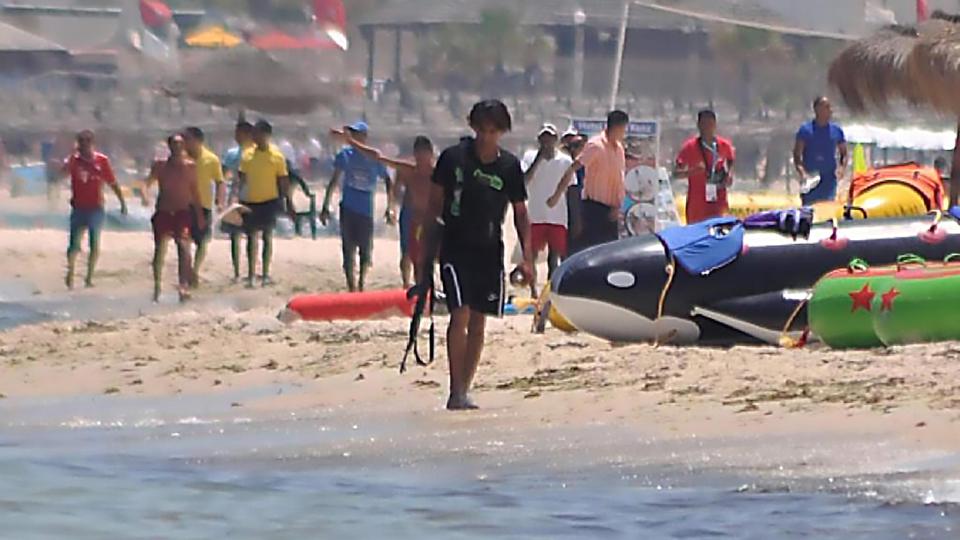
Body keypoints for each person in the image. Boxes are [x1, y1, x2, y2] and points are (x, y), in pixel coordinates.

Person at [413, 99, 533, 410]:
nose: (486, 137)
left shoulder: (509, 166)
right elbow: (434, 205)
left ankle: (464, 388)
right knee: (460, 314)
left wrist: (528, 257)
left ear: (502, 132)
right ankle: (455, 390)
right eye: (481, 129)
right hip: (454, 246)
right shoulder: (453, 159)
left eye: (493, 131)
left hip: (490, 250)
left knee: (480, 320)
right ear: (473, 127)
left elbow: (520, 213)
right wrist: (425, 251)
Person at [329, 129, 435, 289]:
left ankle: (425, 287)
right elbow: (379, 157)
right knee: (410, 254)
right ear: (415, 154)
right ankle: (409, 285)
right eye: (418, 155)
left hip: (431, 219)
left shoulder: (438, 172)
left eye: (425, 155)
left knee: (428, 256)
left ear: (431, 154)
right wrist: (351, 142)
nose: (422, 160)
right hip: (413, 217)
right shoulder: (408, 169)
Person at [320, 121, 393, 292]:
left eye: (357, 133)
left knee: (365, 251)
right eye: (352, 133)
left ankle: (361, 282)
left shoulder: (374, 157)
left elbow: (388, 181)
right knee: (348, 248)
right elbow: (334, 180)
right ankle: (351, 285)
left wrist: (390, 207)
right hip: (348, 208)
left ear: (365, 137)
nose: (353, 136)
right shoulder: (345, 155)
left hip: (366, 211)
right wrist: (325, 205)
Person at [547, 111, 630, 249]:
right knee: (592, 250)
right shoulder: (596, 146)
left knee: (610, 252)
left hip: (612, 211)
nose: (624, 133)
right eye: (623, 129)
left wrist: (618, 205)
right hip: (594, 208)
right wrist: (557, 195)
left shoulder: (619, 149)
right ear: (617, 127)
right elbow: (573, 168)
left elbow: (619, 179)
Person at [62, 130, 127, 289]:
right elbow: (61, 175)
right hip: (78, 207)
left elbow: (112, 182)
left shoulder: (101, 161)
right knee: (74, 244)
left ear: (92, 143)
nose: (84, 145)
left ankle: (89, 277)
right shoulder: (74, 161)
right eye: (81, 142)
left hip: (96, 208)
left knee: (94, 243)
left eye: (87, 141)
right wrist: (69, 160)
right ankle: (70, 271)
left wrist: (122, 202)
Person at [144, 134, 204, 302]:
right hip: (164, 210)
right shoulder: (161, 166)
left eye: (180, 144)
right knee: (160, 248)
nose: (177, 147)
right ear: (170, 146)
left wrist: (199, 215)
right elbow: (147, 182)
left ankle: (183, 285)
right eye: (174, 144)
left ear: (184, 146)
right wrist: (145, 195)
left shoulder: (190, 166)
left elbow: (195, 191)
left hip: (182, 212)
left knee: (183, 246)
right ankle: (157, 285)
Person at [238, 120, 294, 288]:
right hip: (250, 201)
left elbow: (284, 181)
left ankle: (266, 273)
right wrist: (236, 199)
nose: (254, 136)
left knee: (267, 237)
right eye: (253, 133)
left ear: (266, 135)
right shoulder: (247, 154)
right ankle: (250, 273)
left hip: (269, 200)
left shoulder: (277, 156)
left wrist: (288, 202)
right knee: (251, 238)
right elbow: (241, 179)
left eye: (257, 133)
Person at [522, 123, 573, 297]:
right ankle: (533, 291)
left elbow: (570, 185)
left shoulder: (565, 160)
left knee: (554, 257)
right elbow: (524, 180)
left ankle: (550, 292)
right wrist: (538, 160)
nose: (547, 142)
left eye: (550, 138)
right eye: (543, 138)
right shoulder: (529, 157)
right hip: (536, 214)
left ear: (555, 140)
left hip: (557, 215)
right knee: (532, 255)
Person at [674, 109, 736, 224]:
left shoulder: (724, 145)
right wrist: (692, 172)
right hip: (697, 204)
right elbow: (676, 173)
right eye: (704, 124)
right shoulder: (689, 147)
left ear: (715, 125)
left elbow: (731, 161)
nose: (707, 128)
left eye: (710, 124)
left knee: (718, 232)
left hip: (718, 201)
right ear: (698, 125)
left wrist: (729, 175)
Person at [183, 126, 224, 287]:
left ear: (199, 141)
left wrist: (220, 201)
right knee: (184, 240)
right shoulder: (182, 158)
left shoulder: (211, 159)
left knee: (202, 241)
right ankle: (187, 271)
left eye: (189, 140)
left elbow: (220, 182)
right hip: (184, 205)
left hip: (204, 205)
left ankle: (195, 270)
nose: (186, 143)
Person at [794, 96, 848, 206]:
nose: (830, 110)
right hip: (811, 179)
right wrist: (803, 173)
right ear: (817, 109)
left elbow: (844, 153)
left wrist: (841, 168)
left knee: (827, 209)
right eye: (827, 107)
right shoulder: (805, 130)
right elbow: (797, 155)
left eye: (830, 107)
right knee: (809, 211)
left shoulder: (836, 130)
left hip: (829, 180)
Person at [221, 121, 255, 282]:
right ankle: (238, 271)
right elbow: (223, 174)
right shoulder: (232, 153)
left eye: (238, 133)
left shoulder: (254, 152)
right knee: (236, 235)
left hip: (251, 196)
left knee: (250, 235)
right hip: (237, 196)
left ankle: (249, 271)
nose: (235, 136)